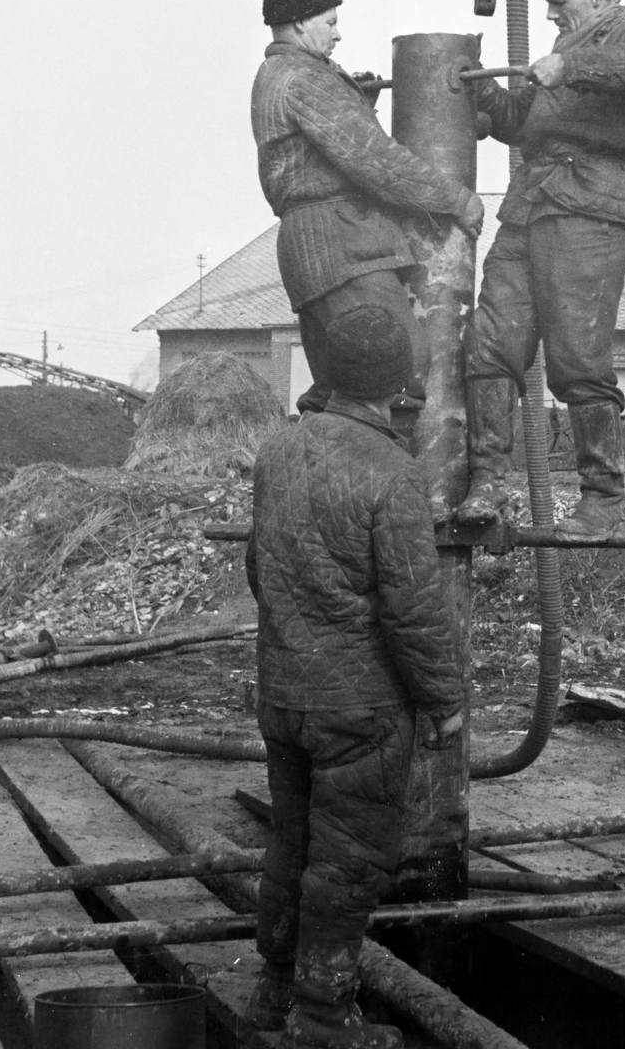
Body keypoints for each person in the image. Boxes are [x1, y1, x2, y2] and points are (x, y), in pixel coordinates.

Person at [244, 305, 464, 1048]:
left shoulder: (279, 448)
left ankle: (270, 999)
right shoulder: (391, 470)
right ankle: (324, 1019)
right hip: (358, 710)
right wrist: (443, 700)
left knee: (290, 849)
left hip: (283, 694)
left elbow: (258, 567)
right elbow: (411, 607)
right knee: (346, 866)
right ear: (398, 381)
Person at [463, 0, 625, 536]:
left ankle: (604, 499)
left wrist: (572, 66)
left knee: (578, 361)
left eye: (560, 2)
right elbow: (524, 121)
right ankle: (487, 481)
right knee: (489, 344)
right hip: (530, 205)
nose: (553, 13)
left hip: (590, 208)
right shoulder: (559, 57)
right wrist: (483, 100)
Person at [252, 0, 483, 416]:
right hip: (343, 244)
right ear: (300, 22)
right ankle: (390, 481)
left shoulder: (275, 75)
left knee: (342, 385)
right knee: (398, 369)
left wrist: (354, 104)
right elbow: (377, 161)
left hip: (310, 248)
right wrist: (455, 199)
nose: (338, 35)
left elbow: (320, 148)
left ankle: (312, 476)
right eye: (330, 22)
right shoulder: (306, 78)